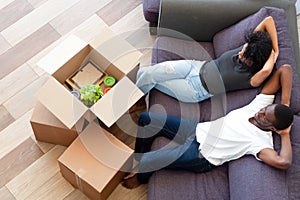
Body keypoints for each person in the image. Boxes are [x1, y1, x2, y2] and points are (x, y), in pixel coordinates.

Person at [122, 64, 293, 189]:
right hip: (197, 129)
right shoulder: (260, 106)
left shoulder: (261, 142)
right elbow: (285, 69)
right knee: (146, 118)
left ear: (272, 128)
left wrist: (284, 134)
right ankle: (138, 156)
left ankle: (140, 178)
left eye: (264, 116)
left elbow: (283, 162)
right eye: (264, 110)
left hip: (201, 155)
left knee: (148, 161)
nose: (260, 113)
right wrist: (285, 103)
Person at [135, 16, 278, 104]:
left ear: (254, 62)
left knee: (148, 75)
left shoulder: (252, 78)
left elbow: (266, 70)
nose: (240, 54)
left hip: (194, 89)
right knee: (146, 73)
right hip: (194, 66)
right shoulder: (249, 48)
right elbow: (268, 20)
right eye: (242, 50)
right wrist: (274, 47)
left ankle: (134, 101)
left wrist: (274, 53)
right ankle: (137, 99)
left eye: (244, 56)